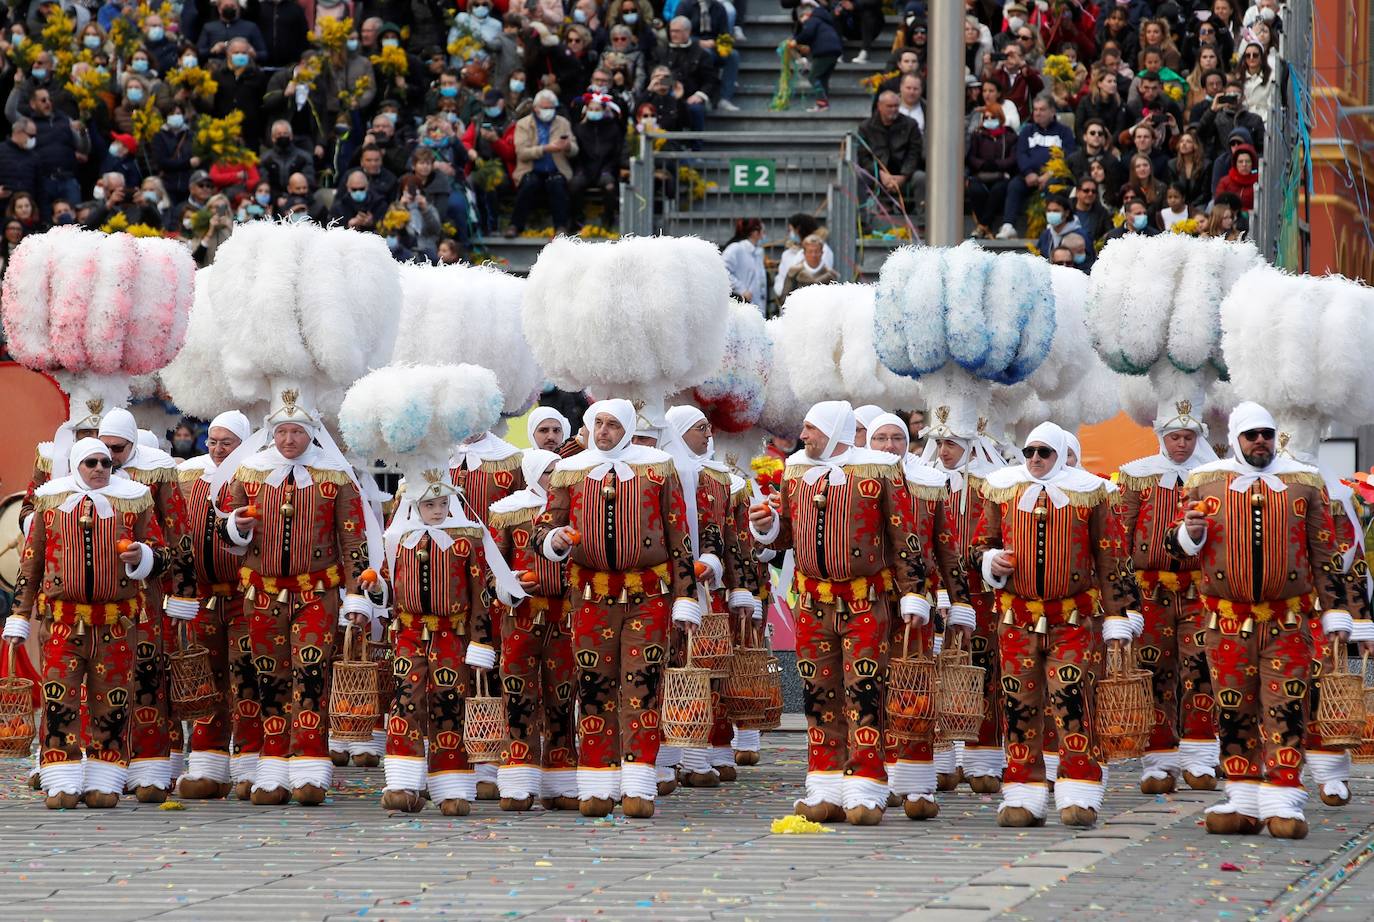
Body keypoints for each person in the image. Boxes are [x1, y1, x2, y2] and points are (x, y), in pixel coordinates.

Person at [1172, 403, 1354, 839]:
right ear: (1236, 437)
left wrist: (1338, 613)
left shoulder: (1304, 483)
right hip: (1226, 622)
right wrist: (1190, 534)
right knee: (1234, 708)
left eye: (1266, 434)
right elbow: (1178, 550)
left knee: (1286, 707)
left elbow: (1325, 552)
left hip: (1287, 620)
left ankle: (1284, 800)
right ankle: (1244, 799)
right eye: (1251, 434)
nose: (1260, 442)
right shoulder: (1204, 481)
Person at [748, 401, 929, 825]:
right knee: (817, 695)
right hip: (811, 603)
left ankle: (866, 786)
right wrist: (767, 526)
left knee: (864, 691)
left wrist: (913, 595)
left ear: (833, 430)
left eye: (811, 429)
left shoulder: (879, 469)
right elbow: (786, 536)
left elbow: (905, 536)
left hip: (867, 599)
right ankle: (825, 786)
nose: (804, 436)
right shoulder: (794, 471)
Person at [533, 399, 701, 819]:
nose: (604, 431)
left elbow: (679, 535)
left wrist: (685, 596)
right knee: (593, 687)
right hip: (590, 596)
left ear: (627, 427)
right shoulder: (570, 470)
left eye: (612, 424)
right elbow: (543, 526)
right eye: (598, 423)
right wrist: (555, 542)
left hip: (648, 595)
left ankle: (639, 783)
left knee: (641, 684)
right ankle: (596, 783)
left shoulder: (657, 467)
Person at [972, 422, 1143, 828]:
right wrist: (989, 562)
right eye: (1029, 451)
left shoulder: (1091, 493)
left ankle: (1079, 789)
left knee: (1071, 700)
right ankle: (1023, 795)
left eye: (1044, 453)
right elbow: (981, 543)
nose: (1034, 459)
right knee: (1018, 704)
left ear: (1062, 454)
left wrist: (1119, 615)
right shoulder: (1003, 490)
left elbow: (1113, 557)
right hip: (1017, 616)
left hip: (1072, 617)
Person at [219, 387, 373, 806]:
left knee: (310, 673)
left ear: (312, 434)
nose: (290, 440)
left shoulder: (334, 476)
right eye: (283, 432)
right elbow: (229, 536)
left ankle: (308, 763)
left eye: (298, 432)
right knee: (269, 675)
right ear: (272, 434)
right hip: (263, 592)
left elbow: (353, 541)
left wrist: (357, 596)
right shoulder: (250, 472)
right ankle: (272, 766)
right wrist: (237, 527)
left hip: (316, 592)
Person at [6, 438, 169, 809]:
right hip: (62, 621)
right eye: (91, 462)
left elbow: (162, 556)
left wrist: (142, 556)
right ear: (76, 464)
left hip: (116, 622)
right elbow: (31, 564)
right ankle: (60, 777)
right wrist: (19, 615)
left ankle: (105, 778)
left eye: (106, 463)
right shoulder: (51, 502)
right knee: (59, 698)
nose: (98, 469)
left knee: (112, 701)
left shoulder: (134, 500)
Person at [377, 468, 497, 816]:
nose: (438, 510)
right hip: (410, 633)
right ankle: (403, 781)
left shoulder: (466, 540)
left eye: (443, 503)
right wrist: (375, 589)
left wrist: (480, 641)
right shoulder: (398, 538)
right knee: (405, 700)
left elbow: (479, 595)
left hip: (452, 635)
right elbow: (388, 585)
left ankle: (451, 786)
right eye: (430, 504)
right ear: (415, 505)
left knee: (449, 702)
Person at [1116, 400, 1221, 793]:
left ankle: (1200, 758)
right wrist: (1122, 601)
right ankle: (1158, 760)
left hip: (1198, 590)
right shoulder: (1136, 476)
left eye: (1189, 437)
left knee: (1201, 672)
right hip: (1149, 592)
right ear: (1162, 437)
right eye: (1175, 437)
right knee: (1154, 672)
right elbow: (1120, 540)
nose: (1182, 444)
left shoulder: (1211, 478)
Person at [99, 408, 196, 802]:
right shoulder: (83, 475)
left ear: (133, 446)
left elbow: (179, 535)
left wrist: (183, 590)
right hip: (96, 599)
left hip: (145, 596)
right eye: (101, 449)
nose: (107, 459)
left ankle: (150, 765)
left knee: (147, 677)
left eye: (116, 449)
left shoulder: (154, 475)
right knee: (100, 679)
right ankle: (102, 764)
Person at [174, 410, 258, 800]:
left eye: (228, 442)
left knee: (247, 677)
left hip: (245, 595)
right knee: (206, 679)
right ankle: (208, 764)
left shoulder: (255, 475)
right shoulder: (190, 474)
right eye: (214, 441)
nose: (219, 448)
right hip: (203, 596)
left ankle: (249, 764)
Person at [997, 94, 1074, 240]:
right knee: (1014, 185)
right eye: (1036, 109)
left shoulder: (1064, 132)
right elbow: (1021, 153)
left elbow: (1069, 155)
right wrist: (1028, 173)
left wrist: (1050, 173)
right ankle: (1009, 226)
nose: (1037, 113)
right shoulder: (1027, 131)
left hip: (1054, 175)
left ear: (1052, 111)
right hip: (1030, 175)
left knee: (1053, 186)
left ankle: (1051, 227)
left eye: (1042, 109)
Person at [506, 89, 576, 237]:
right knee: (529, 183)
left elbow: (575, 149)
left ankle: (561, 227)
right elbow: (522, 153)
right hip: (530, 168)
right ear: (536, 108)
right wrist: (545, 149)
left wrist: (568, 146)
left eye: (551, 108)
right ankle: (515, 225)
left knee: (557, 183)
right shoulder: (523, 124)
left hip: (556, 168)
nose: (549, 111)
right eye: (545, 108)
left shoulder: (563, 123)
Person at [858, 91, 924, 218]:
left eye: (896, 106)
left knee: (921, 178)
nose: (893, 109)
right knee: (860, 176)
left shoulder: (911, 125)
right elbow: (863, 157)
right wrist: (881, 174)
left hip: (904, 172)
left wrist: (903, 176)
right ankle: (862, 220)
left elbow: (914, 154)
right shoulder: (865, 127)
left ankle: (923, 221)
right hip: (877, 174)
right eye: (889, 106)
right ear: (879, 106)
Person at [569, 92, 622, 228]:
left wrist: (608, 169)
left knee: (609, 186)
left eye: (597, 109)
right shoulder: (579, 129)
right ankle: (577, 219)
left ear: (604, 110)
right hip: (585, 168)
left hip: (605, 168)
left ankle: (608, 219)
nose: (593, 112)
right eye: (591, 109)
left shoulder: (613, 128)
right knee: (574, 184)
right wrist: (581, 170)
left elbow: (616, 154)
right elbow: (577, 154)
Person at [658, 16, 720, 132]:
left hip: (691, 95)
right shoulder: (664, 52)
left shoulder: (701, 54)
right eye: (671, 31)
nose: (673, 34)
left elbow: (711, 80)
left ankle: (696, 147)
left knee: (695, 109)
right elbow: (657, 76)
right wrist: (674, 83)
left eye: (677, 31)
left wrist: (700, 95)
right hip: (666, 94)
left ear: (687, 32)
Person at [966, 102, 1017, 239]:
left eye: (992, 117)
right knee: (976, 190)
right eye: (986, 118)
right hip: (981, 174)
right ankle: (985, 226)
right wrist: (983, 164)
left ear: (1000, 118)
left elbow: (1012, 158)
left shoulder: (1009, 136)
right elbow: (971, 157)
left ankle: (982, 226)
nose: (989, 121)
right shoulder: (978, 135)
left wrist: (997, 164)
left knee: (998, 190)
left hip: (1001, 175)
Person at [792, 0, 842, 113]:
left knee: (813, 77)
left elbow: (808, 33)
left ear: (806, 14)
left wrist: (796, 41)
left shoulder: (813, 20)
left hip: (824, 53)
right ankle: (823, 104)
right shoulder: (823, 20)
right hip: (834, 52)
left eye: (801, 17)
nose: (801, 21)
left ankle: (822, 103)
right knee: (823, 78)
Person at [721, 218, 767, 310]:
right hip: (741, 305)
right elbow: (722, 270)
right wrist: (741, 289)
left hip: (757, 306)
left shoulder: (758, 252)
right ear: (754, 232)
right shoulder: (736, 248)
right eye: (763, 231)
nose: (763, 236)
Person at [779, 234, 839, 305]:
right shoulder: (793, 273)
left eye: (816, 251)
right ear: (804, 253)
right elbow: (784, 299)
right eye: (810, 251)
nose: (813, 255)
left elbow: (835, 301)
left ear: (822, 253)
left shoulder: (830, 275)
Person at [1034, 194, 1084, 262]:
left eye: (1056, 211)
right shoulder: (1046, 234)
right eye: (1049, 211)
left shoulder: (1081, 235)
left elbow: (1087, 264)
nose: (1051, 214)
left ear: (1067, 213)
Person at [1214, 142, 1257, 212]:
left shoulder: (1258, 182)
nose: (1244, 164)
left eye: (1248, 161)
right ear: (1235, 164)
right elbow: (1219, 206)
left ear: (1252, 163)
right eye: (1240, 161)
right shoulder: (1224, 182)